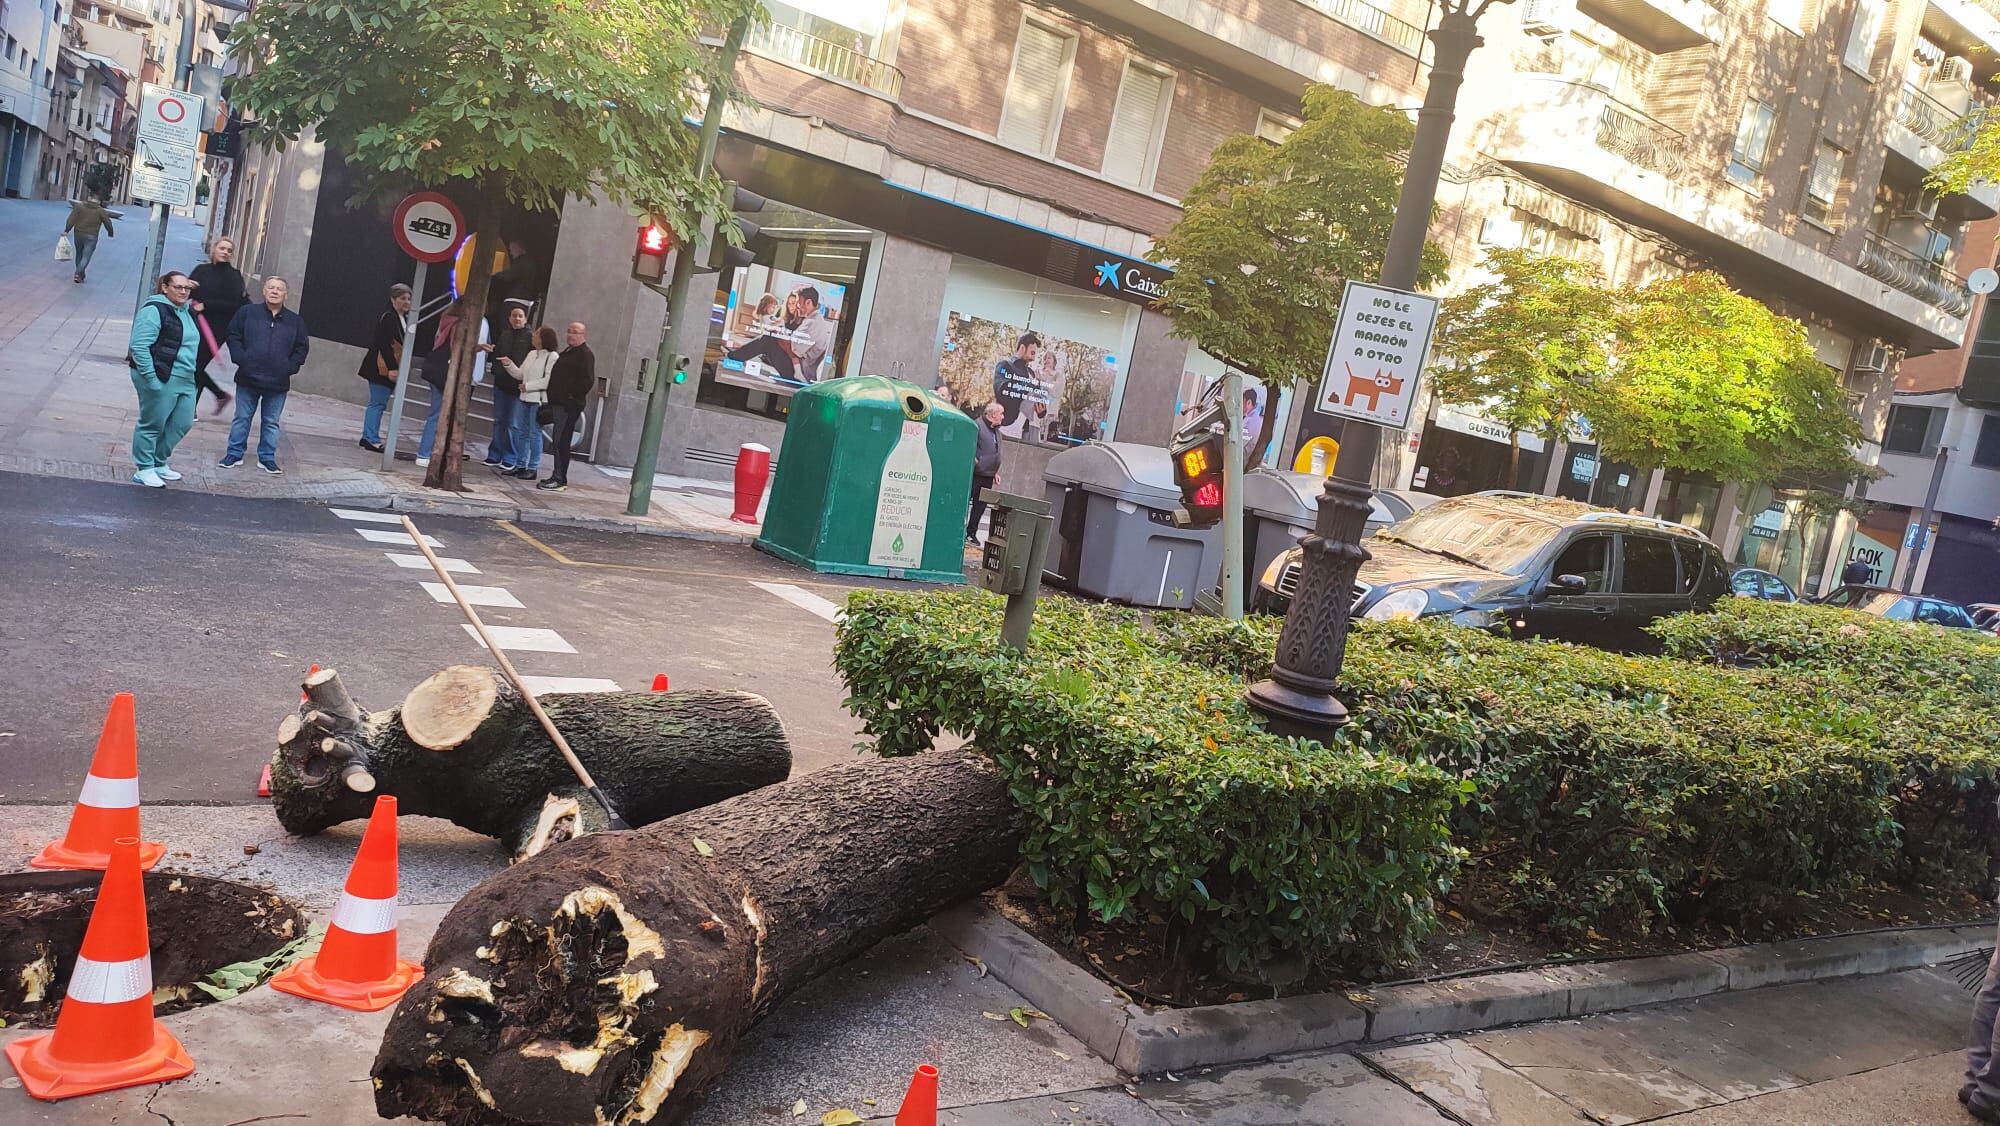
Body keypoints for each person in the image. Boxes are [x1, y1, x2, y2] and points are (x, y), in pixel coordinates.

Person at [219, 276, 309, 474]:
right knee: (242, 417)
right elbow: (233, 335)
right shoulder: (247, 313)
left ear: (286, 294)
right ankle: (234, 454)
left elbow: (301, 348)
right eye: (271, 288)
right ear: (264, 291)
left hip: (278, 382)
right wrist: (241, 358)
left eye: (279, 289)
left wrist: (289, 367)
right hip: (248, 377)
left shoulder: (295, 321)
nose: (275, 291)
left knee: (271, 422)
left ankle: (267, 458)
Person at [126, 271, 200, 488]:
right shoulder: (154, 310)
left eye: (187, 288)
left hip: (186, 377)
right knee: (153, 423)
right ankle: (144, 468)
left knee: (182, 423)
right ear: (165, 287)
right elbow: (139, 346)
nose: (183, 291)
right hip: (161, 374)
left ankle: (159, 461)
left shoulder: (187, 311)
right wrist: (151, 379)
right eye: (178, 287)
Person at [417, 300, 489, 467]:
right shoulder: (459, 324)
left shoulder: (446, 319)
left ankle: (428, 451)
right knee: (437, 415)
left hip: (437, 372)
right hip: (445, 374)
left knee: (435, 414)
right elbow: (457, 348)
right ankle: (424, 453)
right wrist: (475, 348)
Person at [186, 236, 246, 417]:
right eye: (222, 248)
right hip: (195, 323)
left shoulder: (234, 276)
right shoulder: (201, 270)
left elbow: (235, 304)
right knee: (190, 365)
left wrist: (207, 305)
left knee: (197, 365)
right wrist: (189, 286)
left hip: (218, 328)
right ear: (214, 249)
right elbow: (187, 292)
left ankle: (191, 409)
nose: (225, 252)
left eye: (229, 250)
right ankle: (220, 395)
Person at [537, 322, 594, 492]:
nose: (570, 335)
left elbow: (587, 381)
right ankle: (557, 475)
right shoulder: (568, 352)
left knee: (561, 441)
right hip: (558, 403)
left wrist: (570, 397)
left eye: (575, 332)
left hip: (568, 406)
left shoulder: (585, 354)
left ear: (583, 335)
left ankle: (560, 478)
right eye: (569, 331)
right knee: (558, 440)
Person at [499, 325, 558, 482]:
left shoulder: (552, 356)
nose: (533, 336)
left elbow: (548, 380)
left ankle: (533, 467)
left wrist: (528, 386)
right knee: (522, 432)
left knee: (534, 433)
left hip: (537, 400)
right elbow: (520, 374)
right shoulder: (532, 354)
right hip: (524, 398)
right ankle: (520, 465)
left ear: (544, 338)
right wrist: (508, 364)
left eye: (537, 334)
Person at [358, 283, 413, 452]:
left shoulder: (401, 318)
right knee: (377, 403)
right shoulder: (389, 317)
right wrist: (392, 367)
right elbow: (384, 343)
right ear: (393, 299)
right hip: (380, 368)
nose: (407, 302)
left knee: (378, 403)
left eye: (409, 298)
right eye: (403, 298)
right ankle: (371, 437)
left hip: (385, 367)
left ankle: (368, 435)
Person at [482, 304, 532, 471]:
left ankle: (510, 457)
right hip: (501, 385)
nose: (517, 319)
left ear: (525, 319)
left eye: (520, 316)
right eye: (514, 316)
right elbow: (497, 357)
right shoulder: (505, 335)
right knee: (499, 421)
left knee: (513, 424)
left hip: (517, 388)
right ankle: (494, 454)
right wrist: (497, 372)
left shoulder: (530, 337)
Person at [966, 400, 1005, 546]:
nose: (1002, 417)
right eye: (1001, 414)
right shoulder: (977, 426)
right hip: (975, 474)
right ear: (993, 414)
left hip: (988, 476)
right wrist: (977, 463)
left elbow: (995, 453)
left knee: (980, 506)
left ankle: (971, 533)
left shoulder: (997, 432)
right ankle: (959, 532)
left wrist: (995, 472)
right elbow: (969, 447)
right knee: (965, 503)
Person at [991, 332, 1040, 428]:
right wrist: (1030, 385)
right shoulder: (1005, 365)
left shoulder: (1032, 373)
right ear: (1022, 348)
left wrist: (1041, 410)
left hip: (1026, 430)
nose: (1034, 358)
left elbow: (1037, 398)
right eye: (1032, 353)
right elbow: (1002, 390)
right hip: (1005, 426)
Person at [63, 195, 114, 284]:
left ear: (89, 199)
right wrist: (110, 233)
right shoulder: (101, 211)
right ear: (99, 202)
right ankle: (78, 273)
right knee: (86, 256)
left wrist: (67, 230)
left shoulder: (79, 207)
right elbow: (108, 223)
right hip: (91, 237)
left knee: (79, 254)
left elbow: (71, 219)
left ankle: (80, 275)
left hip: (78, 234)